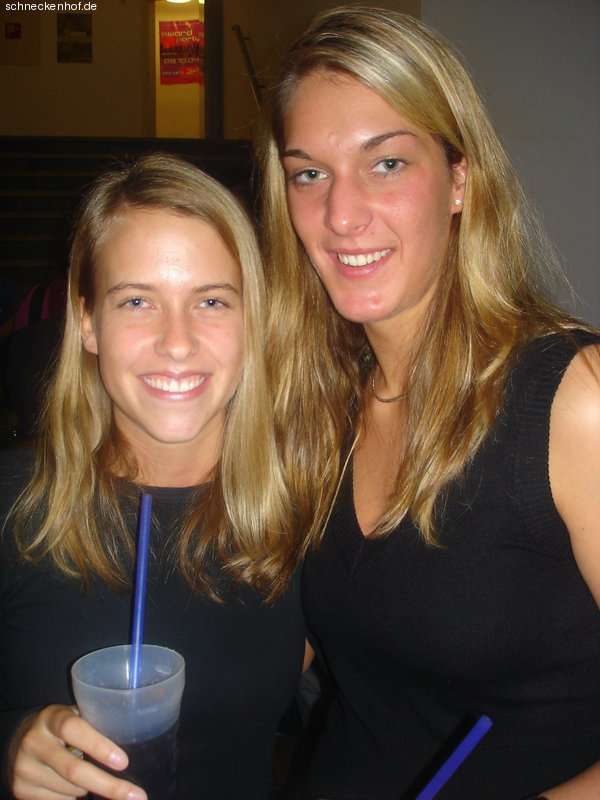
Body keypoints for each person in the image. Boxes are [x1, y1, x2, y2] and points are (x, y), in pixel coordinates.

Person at [259, 6, 600, 799]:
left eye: (386, 163)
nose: (341, 215)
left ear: (459, 180)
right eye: (309, 174)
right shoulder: (319, 401)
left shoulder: (574, 399)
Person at [0, 153, 306, 800]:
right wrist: (9, 746)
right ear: (88, 322)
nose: (177, 342)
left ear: (252, 320)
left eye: (212, 301)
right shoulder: (12, 506)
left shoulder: (309, 521)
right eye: (137, 300)